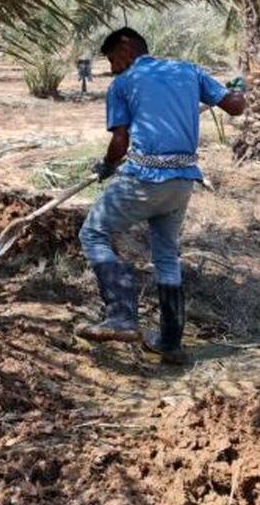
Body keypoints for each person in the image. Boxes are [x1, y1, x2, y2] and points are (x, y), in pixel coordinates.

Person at [78, 27, 246, 363]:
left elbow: (120, 143)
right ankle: (170, 342)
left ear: (126, 48)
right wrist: (241, 87)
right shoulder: (188, 70)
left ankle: (122, 316)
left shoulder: (123, 84)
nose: (112, 69)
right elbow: (236, 107)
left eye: (112, 59)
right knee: (167, 256)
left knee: (93, 232)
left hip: (144, 178)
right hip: (182, 181)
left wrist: (108, 166)